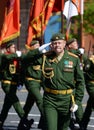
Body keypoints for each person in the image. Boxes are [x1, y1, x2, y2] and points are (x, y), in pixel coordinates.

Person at [42, 33, 85, 130]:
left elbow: (80, 82)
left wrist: (77, 102)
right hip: (50, 99)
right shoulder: (45, 58)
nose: (57, 45)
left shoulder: (74, 59)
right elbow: (26, 60)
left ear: (64, 44)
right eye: (55, 43)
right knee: (51, 127)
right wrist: (37, 51)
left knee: (63, 128)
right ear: (51, 45)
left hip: (67, 100)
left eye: (59, 43)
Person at [0, 40, 34, 130]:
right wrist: (17, 55)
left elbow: (24, 59)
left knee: (7, 105)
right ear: (8, 49)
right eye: (12, 47)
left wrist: (21, 81)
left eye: (15, 47)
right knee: (15, 101)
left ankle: (0, 122)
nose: (15, 49)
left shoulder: (17, 58)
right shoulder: (4, 56)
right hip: (7, 83)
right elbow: (7, 58)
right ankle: (25, 120)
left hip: (14, 84)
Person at [17, 40, 45, 130]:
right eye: (36, 45)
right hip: (31, 81)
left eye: (39, 45)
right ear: (31, 47)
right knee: (40, 101)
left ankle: (22, 124)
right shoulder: (28, 55)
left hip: (39, 82)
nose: (38, 46)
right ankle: (47, 121)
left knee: (29, 104)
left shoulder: (41, 56)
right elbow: (26, 57)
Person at [66, 38, 86, 129]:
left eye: (76, 42)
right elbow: (73, 54)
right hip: (69, 85)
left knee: (77, 105)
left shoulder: (79, 54)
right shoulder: (70, 54)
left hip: (76, 84)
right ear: (69, 46)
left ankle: (79, 123)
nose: (76, 44)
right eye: (74, 43)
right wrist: (79, 52)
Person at [80, 55, 94, 130]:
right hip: (91, 84)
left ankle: (83, 124)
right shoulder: (90, 60)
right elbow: (85, 69)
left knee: (90, 105)